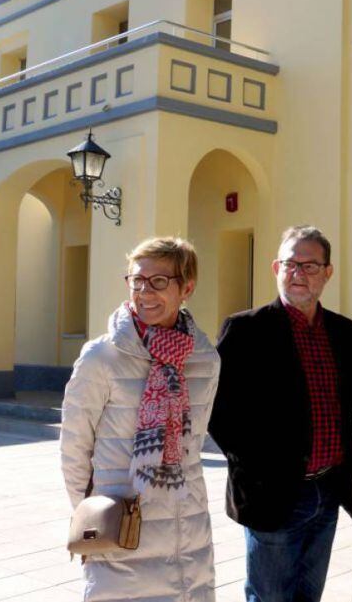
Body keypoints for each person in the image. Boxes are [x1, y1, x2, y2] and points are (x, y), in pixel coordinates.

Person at [60, 237, 220, 601]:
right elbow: (74, 450)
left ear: (187, 288)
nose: (144, 292)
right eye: (137, 280)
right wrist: (93, 515)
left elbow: (192, 447)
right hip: (122, 533)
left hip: (187, 532)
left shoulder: (205, 360)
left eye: (158, 281)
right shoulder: (101, 357)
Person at [209, 225, 352, 602]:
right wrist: (256, 472)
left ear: (328, 273)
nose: (298, 273)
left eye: (310, 266)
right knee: (270, 597)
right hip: (273, 496)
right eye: (290, 264)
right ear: (276, 268)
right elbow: (219, 413)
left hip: (327, 492)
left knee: (309, 595)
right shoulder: (246, 329)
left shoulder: (344, 332)